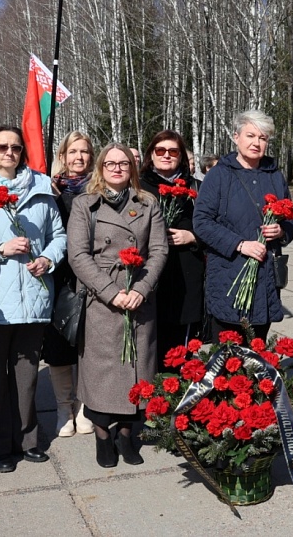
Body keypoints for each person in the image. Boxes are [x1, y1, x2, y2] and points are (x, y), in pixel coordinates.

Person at [67, 143, 168, 468]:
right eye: (110, 163)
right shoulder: (85, 204)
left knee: (138, 371)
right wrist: (112, 292)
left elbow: (159, 250)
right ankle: (102, 437)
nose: (117, 168)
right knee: (103, 373)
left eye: (123, 163)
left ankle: (126, 434)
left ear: (132, 168)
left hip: (140, 300)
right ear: (100, 167)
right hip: (103, 302)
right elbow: (78, 255)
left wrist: (141, 288)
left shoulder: (148, 203)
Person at [0, 126, 67, 473]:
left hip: (34, 298)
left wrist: (48, 259)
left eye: (15, 147)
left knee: (26, 376)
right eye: (2, 147)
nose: (9, 152)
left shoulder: (41, 188)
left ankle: (27, 439)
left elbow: (59, 235)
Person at [193, 110, 293, 340]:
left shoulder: (274, 175)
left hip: (266, 278)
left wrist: (281, 231)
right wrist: (240, 244)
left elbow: (292, 219)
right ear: (236, 137)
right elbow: (201, 222)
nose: (256, 143)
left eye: (262, 138)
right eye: (250, 136)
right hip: (229, 275)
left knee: (258, 353)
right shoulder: (219, 175)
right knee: (229, 357)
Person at [46, 131, 96, 437]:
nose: (79, 157)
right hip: (58, 274)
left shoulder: (100, 190)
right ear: (62, 157)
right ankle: (63, 406)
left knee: (89, 344)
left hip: (90, 274)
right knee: (59, 344)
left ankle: (83, 406)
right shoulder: (51, 190)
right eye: (73, 151)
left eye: (85, 152)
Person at [138, 130, 205, 360]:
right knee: (148, 349)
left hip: (184, 279)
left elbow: (213, 227)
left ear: (181, 156)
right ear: (151, 155)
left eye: (173, 151)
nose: (166, 155)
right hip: (148, 277)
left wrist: (193, 237)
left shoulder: (196, 187)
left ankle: (178, 393)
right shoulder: (138, 187)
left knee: (180, 352)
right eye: (160, 150)